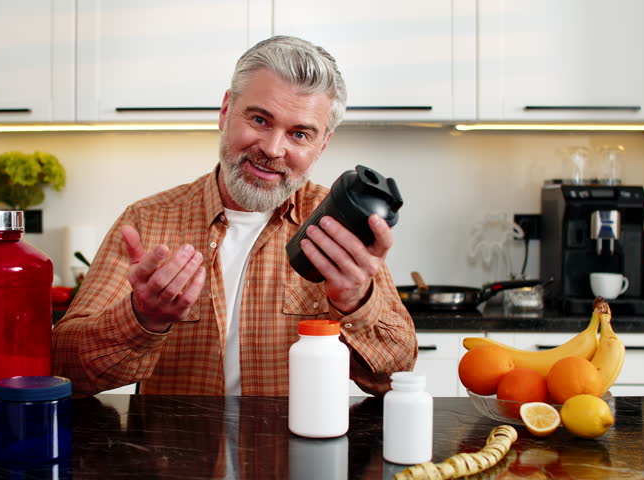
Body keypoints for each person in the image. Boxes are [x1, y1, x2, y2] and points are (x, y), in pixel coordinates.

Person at [52, 35, 417, 396]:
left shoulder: (338, 230)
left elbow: (393, 377)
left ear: (322, 145)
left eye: (300, 134)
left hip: (300, 451)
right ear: (226, 111)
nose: (273, 149)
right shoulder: (147, 220)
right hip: (174, 453)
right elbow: (64, 369)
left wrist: (355, 301)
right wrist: (142, 317)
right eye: (259, 119)